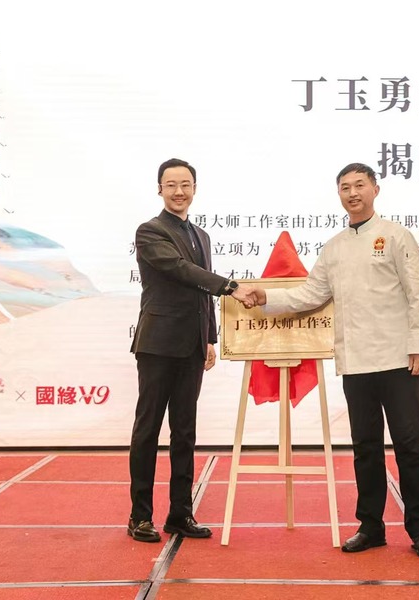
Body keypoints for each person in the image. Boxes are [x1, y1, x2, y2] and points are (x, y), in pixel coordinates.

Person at [249, 163, 419, 559]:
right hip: (355, 362)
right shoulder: (334, 247)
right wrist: (267, 297)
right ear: (339, 194)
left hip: (398, 359)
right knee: (365, 447)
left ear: (375, 189)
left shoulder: (396, 236)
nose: (353, 193)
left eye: (359, 185)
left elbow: (417, 293)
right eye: (345, 187)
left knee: (409, 445)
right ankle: (370, 527)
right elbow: (309, 295)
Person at [128, 157, 254, 543]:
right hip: (158, 344)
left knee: (184, 432)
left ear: (195, 189)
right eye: (171, 185)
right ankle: (139, 516)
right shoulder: (150, 231)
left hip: (192, 346)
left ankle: (180, 513)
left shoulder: (202, 235)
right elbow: (180, 269)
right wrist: (230, 286)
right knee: (148, 429)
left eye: (185, 184)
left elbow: (201, 295)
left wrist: (210, 338)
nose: (179, 191)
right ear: (159, 189)